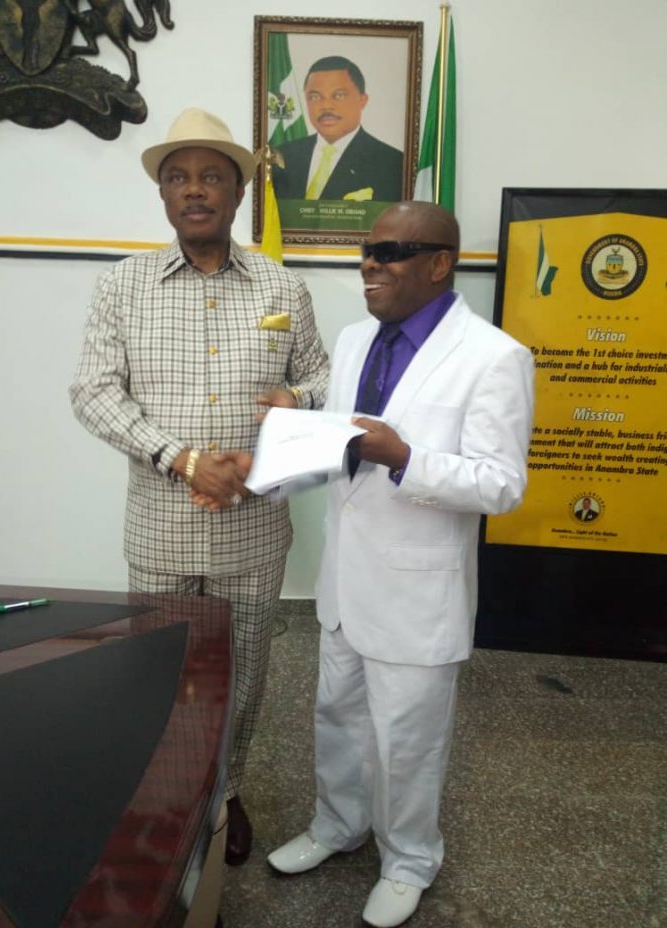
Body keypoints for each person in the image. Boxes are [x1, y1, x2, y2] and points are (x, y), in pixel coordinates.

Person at [69, 107, 329, 868]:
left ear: (238, 192)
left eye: (211, 176)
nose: (194, 190)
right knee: (159, 673)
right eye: (178, 177)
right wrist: (181, 458)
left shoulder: (284, 286)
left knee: (243, 674)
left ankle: (226, 792)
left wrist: (296, 404)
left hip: (254, 530)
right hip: (161, 528)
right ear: (161, 194)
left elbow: (321, 380)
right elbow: (93, 393)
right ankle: (165, 797)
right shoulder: (122, 286)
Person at [268, 202, 535, 927]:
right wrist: (287, 439)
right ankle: (337, 825)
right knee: (337, 718)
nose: (369, 264)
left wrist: (405, 458)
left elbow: (501, 485)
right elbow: (343, 446)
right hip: (345, 583)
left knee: (406, 742)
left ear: (440, 263)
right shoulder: (355, 339)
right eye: (367, 250)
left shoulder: (494, 357)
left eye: (389, 252)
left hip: (418, 595)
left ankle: (410, 860)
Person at [272, 55, 403, 202]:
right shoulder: (282, 156)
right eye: (315, 97)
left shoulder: (392, 163)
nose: (326, 106)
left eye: (339, 95)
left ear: (362, 100)